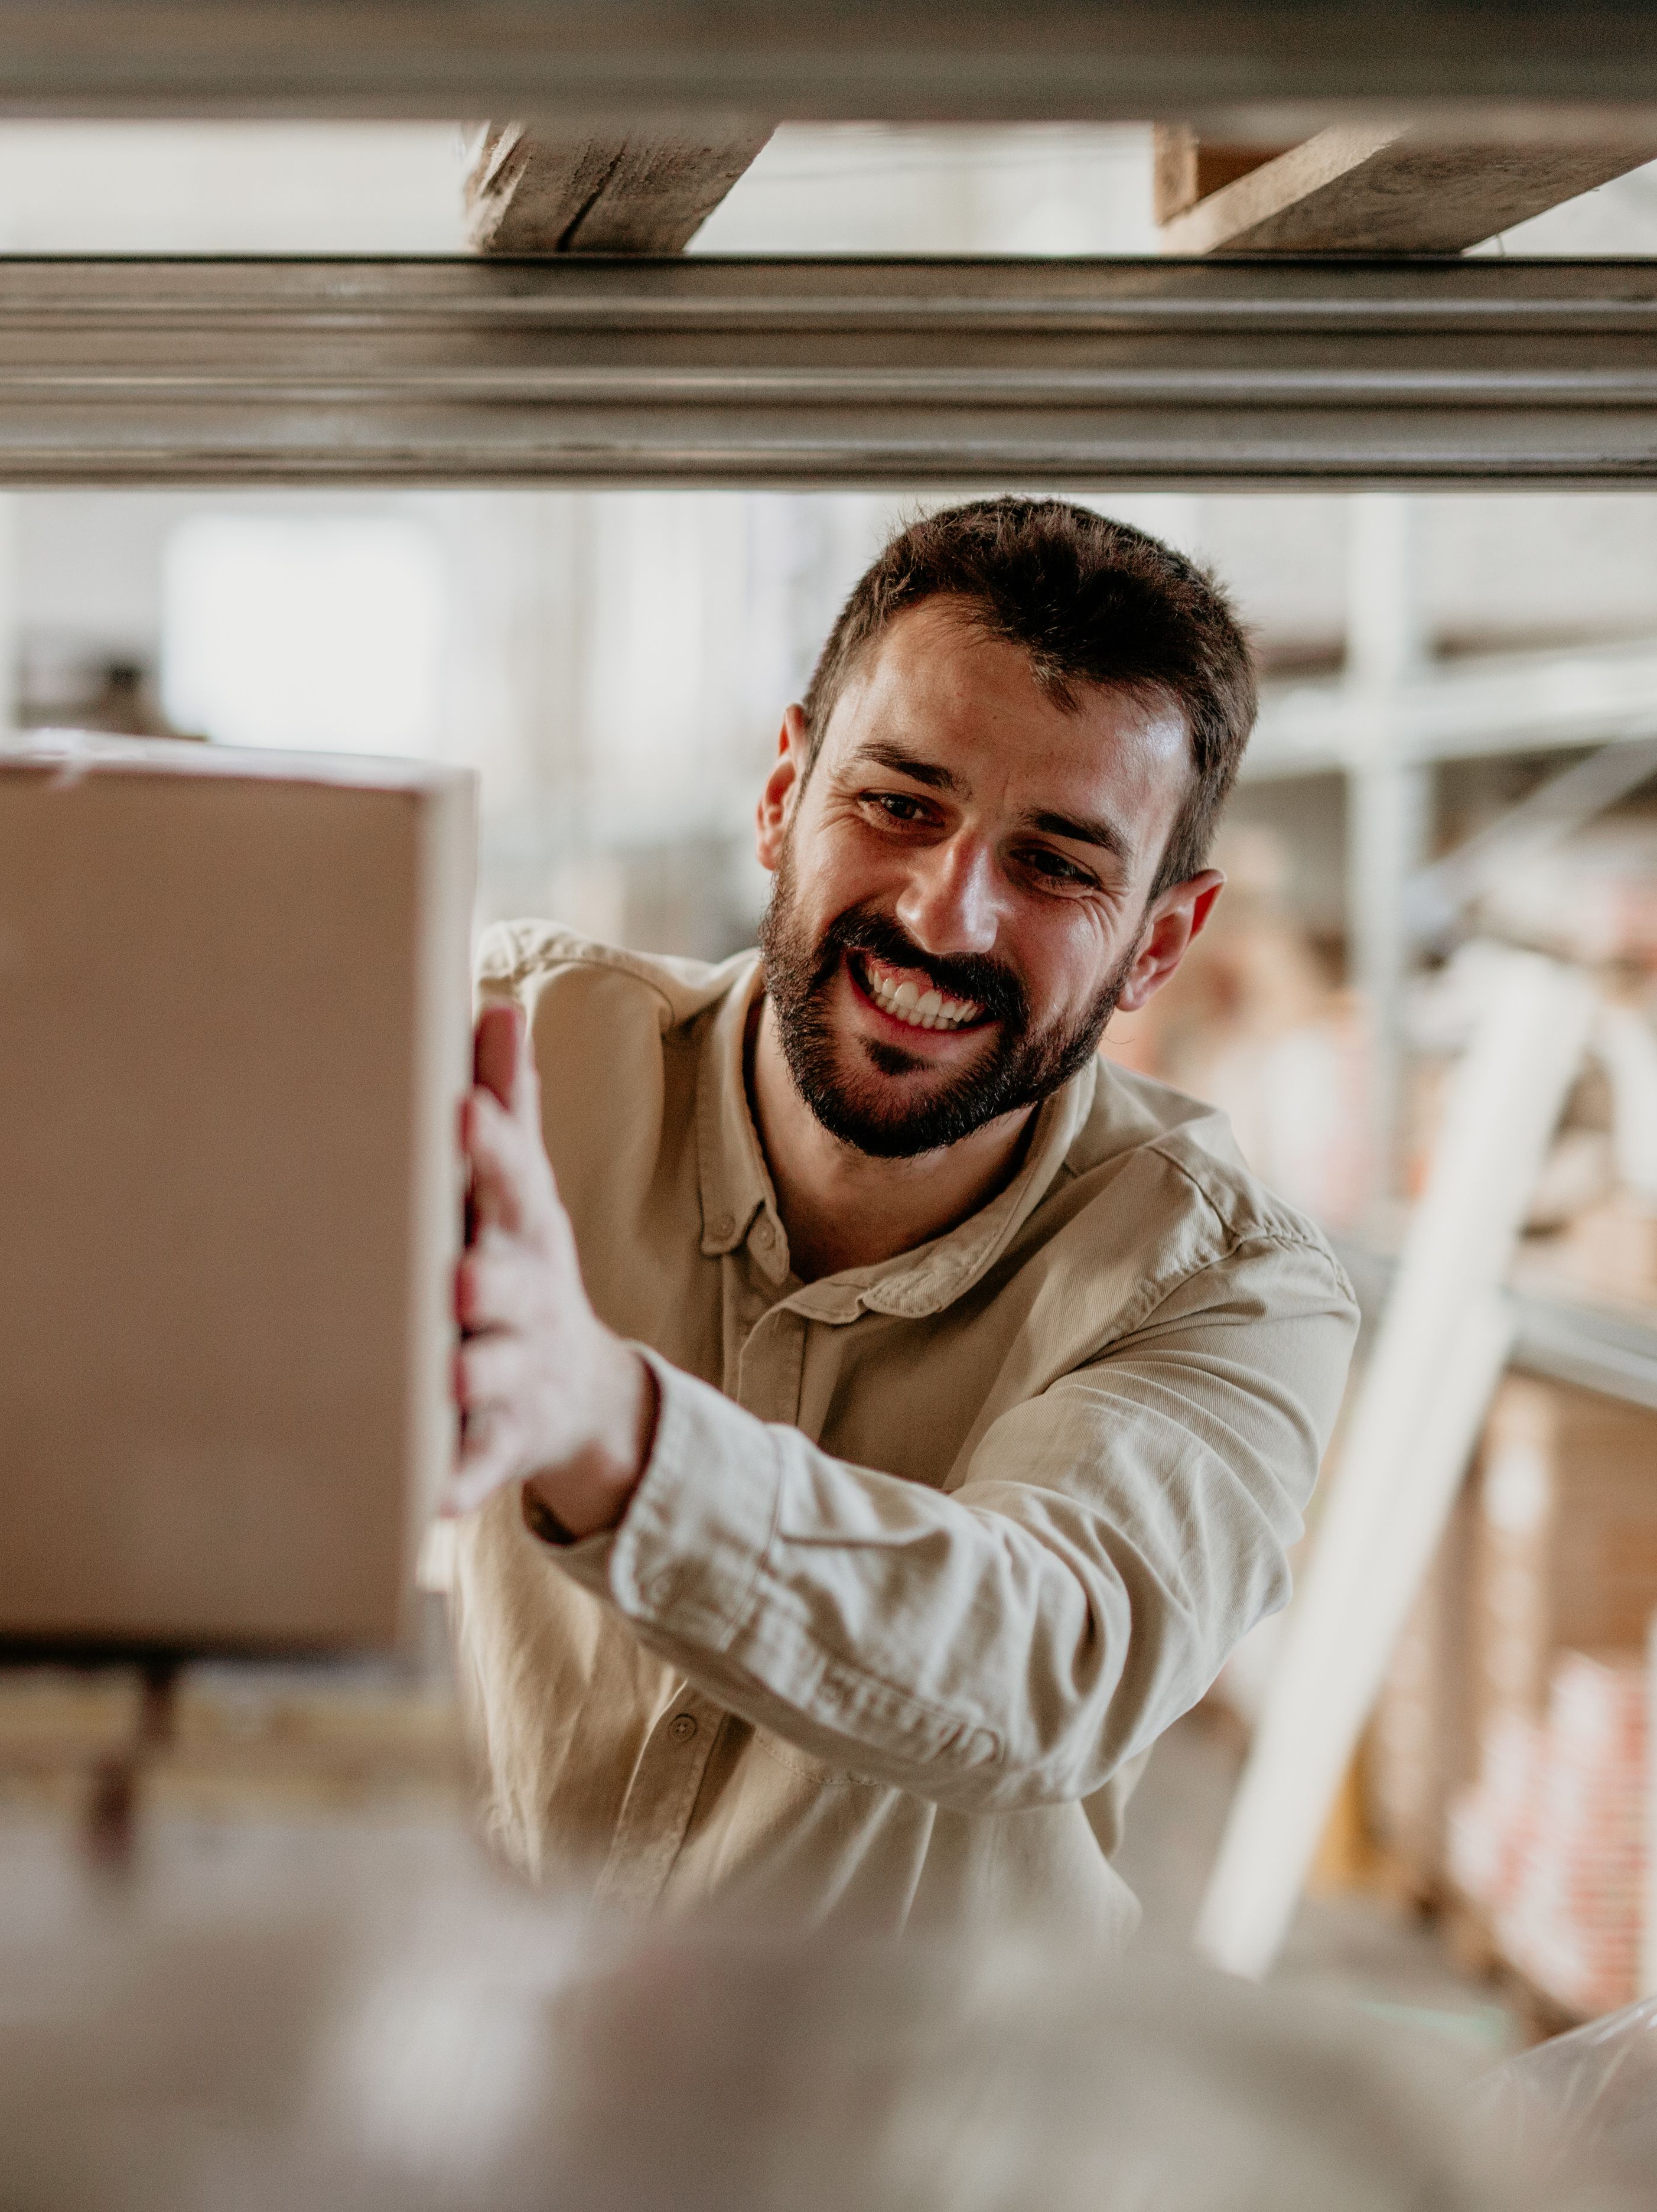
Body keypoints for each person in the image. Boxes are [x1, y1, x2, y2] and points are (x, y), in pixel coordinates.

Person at [446, 496, 1359, 1941]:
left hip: (912, 2137)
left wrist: (606, 1428)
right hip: (479, 2067)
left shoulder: (1227, 1291)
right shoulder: (506, 1061)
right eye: (898, 804)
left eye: (1056, 864)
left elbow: (1042, 1658)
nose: (948, 918)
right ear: (781, 794)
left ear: (1160, 944)